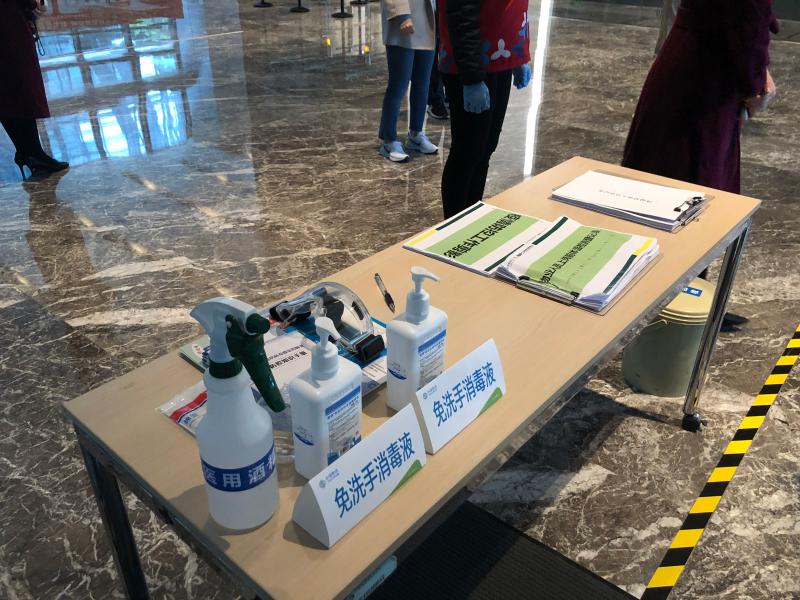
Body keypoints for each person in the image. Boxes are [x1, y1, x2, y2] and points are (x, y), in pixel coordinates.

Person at [623, 0, 777, 330]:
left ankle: (680, 299)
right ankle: (673, 308)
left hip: (695, 65)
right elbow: (746, 17)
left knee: (674, 182)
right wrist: (754, 80)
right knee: (691, 190)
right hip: (705, 79)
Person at [438, 0, 532, 218]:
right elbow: (461, 15)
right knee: (468, 151)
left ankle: (471, 217)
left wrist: (517, 56)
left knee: (486, 148)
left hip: (500, 58)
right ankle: (453, 225)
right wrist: (471, 77)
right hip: (471, 64)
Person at [0, 0, 69, 179]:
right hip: (7, 22)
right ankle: (33, 153)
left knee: (7, 89)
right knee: (21, 83)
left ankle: (26, 151)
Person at [378, 0, 439, 162]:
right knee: (399, 85)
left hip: (427, 22)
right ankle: (389, 140)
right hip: (403, 23)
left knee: (422, 84)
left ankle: (416, 133)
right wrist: (402, 15)